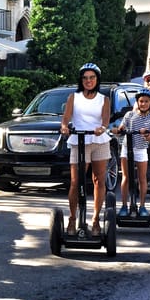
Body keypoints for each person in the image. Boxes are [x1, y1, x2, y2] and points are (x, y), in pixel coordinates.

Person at [60, 63, 111, 236]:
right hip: (78, 140)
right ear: (81, 80)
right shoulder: (74, 97)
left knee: (99, 180)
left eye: (92, 77)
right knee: (75, 182)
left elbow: (105, 120)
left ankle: (96, 220)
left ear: (97, 79)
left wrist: (102, 128)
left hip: (98, 141)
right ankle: (73, 219)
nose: (88, 81)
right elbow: (66, 118)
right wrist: (65, 127)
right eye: (85, 78)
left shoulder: (104, 99)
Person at [114, 88, 150, 217]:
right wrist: (118, 130)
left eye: (146, 101)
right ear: (137, 102)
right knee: (126, 177)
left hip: (141, 149)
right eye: (141, 101)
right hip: (127, 148)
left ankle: (143, 206)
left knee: (142, 178)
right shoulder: (129, 115)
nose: (143, 104)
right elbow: (121, 128)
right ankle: (123, 206)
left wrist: (146, 134)